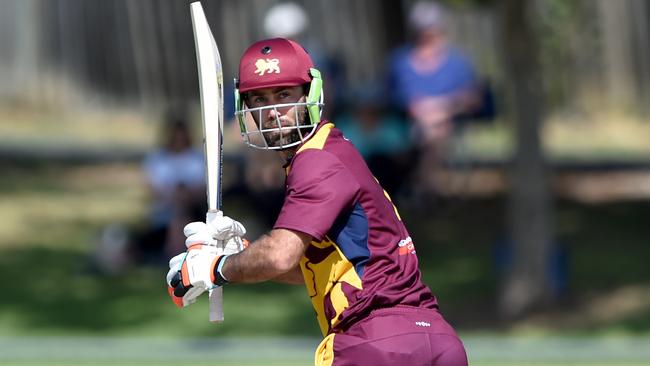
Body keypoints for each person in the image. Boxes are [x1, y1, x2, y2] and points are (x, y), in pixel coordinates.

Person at [166, 38, 468, 365]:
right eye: (260, 99)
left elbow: (280, 256)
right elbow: (307, 269)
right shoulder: (332, 151)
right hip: (436, 341)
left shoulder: (316, 161)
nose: (272, 112)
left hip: (375, 344)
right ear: (247, 107)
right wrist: (239, 254)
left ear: (310, 94)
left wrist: (213, 269)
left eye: (283, 95)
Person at [387, 1, 482, 202]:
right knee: (430, 129)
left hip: (450, 121)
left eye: (431, 29)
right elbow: (393, 96)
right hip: (408, 123)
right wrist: (418, 110)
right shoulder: (401, 61)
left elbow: (472, 98)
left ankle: (424, 189)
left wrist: (442, 108)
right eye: (422, 29)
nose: (426, 35)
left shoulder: (457, 63)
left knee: (434, 128)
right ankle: (428, 189)